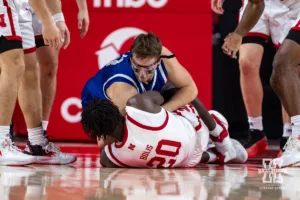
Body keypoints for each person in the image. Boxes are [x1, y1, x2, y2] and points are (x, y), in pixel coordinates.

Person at [221, 0, 300, 167]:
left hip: (293, 8)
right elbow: (256, 4)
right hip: (267, 6)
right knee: (278, 75)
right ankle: (264, 133)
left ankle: (292, 135)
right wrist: (238, 34)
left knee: (285, 65)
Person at [81, 90, 248, 168]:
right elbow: (175, 91)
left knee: (163, 154)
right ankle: (223, 142)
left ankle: (214, 156)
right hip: (197, 134)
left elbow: (108, 148)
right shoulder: (137, 105)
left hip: (187, 161)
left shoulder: (108, 158)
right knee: (175, 90)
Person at [0, 0, 60, 165]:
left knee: (30, 70)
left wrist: (57, 18)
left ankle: (36, 142)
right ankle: (0, 141)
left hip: (21, 4)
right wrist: (48, 21)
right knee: (13, 64)